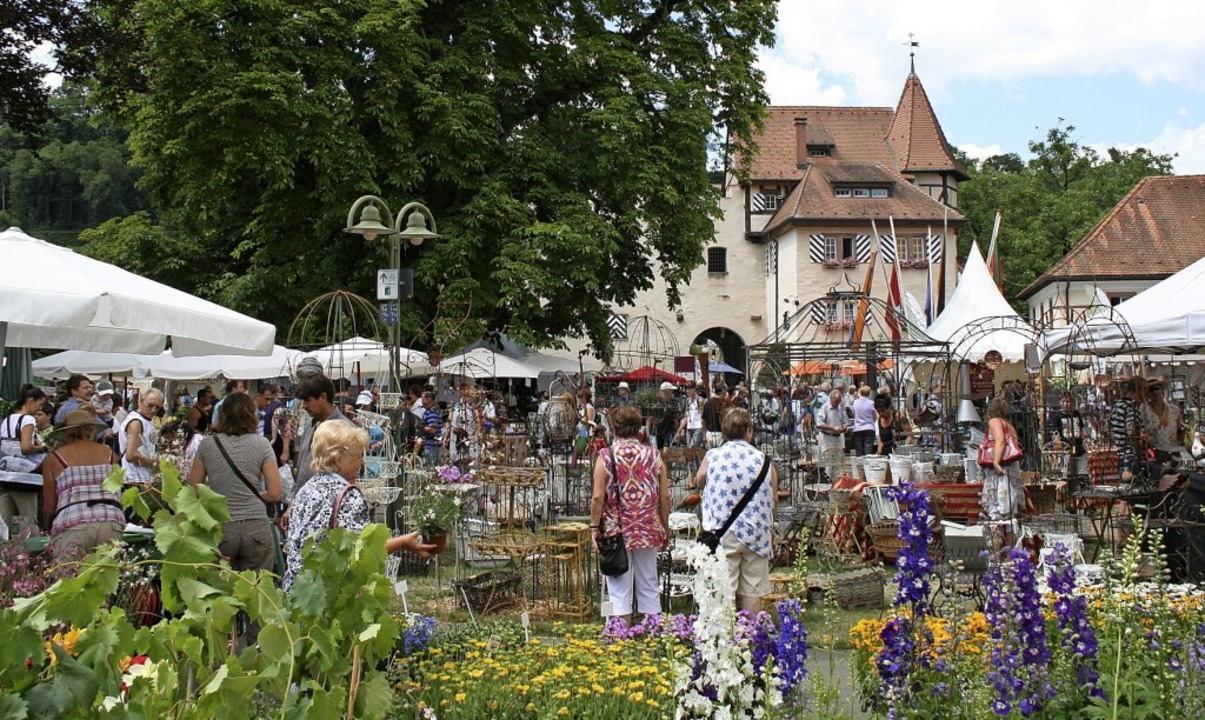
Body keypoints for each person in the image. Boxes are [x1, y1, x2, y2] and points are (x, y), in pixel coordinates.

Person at [282, 422, 434, 592]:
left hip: (298, 591)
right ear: (338, 459)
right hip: (330, 594)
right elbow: (362, 550)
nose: (362, 462)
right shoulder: (348, 495)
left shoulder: (306, 489)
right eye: (357, 456)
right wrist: (403, 542)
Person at [692, 408, 777, 613]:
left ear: (724, 432)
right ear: (749, 431)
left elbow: (699, 480)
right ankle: (751, 633)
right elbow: (773, 498)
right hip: (756, 531)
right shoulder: (764, 460)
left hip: (723, 532)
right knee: (753, 589)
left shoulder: (713, 456)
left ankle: (727, 637)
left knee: (724, 587)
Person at [590, 405, 670, 623]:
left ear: (614, 428)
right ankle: (653, 634)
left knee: (618, 588)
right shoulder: (654, 456)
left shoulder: (605, 456)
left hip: (616, 530)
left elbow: (598, 497)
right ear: (639, 429)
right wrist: (665, 525)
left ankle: (620, 637)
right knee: (649, 583)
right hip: (647, 527)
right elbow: (664, 497)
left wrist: (594, 528)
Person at [188, 393, 282, 576]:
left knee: (220, 591)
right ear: (251, 415)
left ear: (222, 414)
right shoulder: (262, 445)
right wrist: (254, 494)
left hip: (220, 527)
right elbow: (275, 493)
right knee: (256, 591)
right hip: (256, 526)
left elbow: (193, 489)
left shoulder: (208, 445)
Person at [42, 409, 124, 559]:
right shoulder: (109, 455)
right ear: (91, 430)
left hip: (73, 524)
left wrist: (49, 528)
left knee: (68, 580)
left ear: (66, 432)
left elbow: (49, 508)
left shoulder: (54, 459)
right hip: (111, 522)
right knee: (106, 579)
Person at [293, 373, 353, 490]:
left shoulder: (345, 429)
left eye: (308, 400)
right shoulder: (311, 426)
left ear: (323, 397)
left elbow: (351, 472)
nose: (304, 406)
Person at [982, 397, 1023, 549]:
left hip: (1000, 471)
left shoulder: (995, 422)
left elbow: (1000, 440)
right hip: (1012, 470)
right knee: (1010, 514)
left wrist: (996, 462)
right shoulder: (1009, 425)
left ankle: (996, 551)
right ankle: (1011, 551)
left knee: (996, 511)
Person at [119, 389, 164, 485]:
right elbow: (131, 455)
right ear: (141, 400)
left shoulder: (145, 419)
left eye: (157, 407)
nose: (153, 410)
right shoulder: (136, 422)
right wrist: (155, 462)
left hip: (143, 478)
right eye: (150, 405)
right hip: (134, 479)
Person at [1110, 379, 1143, 478]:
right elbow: (1130, 431)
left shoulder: (1117, 406)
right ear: (1139, 391)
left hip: (1119, 452)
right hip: (1129, 455)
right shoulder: (1130, 406)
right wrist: (1141, 436)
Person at [1050, 392, 1086, 474]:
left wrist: (1084, 441)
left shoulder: (1076, 413)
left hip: (1079, 449)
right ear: (1060, 402)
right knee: (1067, 475)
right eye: (1063, 401)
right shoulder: (1057, 417)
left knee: (1082, 474)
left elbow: (1081, 428)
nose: (1065, 404)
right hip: (1065, 451)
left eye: (1068, 401)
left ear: (1072, 402)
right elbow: (1055, 435)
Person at [815, 387, 847, 480]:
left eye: (839, 401)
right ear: (831, 398)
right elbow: (819, 424)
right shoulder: (824, 408)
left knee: (837, 462)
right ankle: (826, 483)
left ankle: (834, 483)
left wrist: (844, 428)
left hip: (837, 437)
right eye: (836, 401)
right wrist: (833, 428)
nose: (837, 403)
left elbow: (843, 421)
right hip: (826, 437)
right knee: (828, 462)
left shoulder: (840, 408)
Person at [649, 382, 680, 450]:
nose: (672, 391)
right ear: (665, 391)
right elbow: (651, 417)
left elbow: (676, 418)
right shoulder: (655, 401)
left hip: (669, 430)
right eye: (670, 390)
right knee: (659, 451)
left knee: (666, 451)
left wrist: (677, 432)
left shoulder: (674, 401)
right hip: (657, 431)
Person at [418, 391, 445, 463]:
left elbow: (432, 429)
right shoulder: (428, 411)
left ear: (429, 399)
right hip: (430, 445)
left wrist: (419, 428)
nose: (421, 401)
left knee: (430, 468)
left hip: (432, 446)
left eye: (422, 399)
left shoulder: (432, 412)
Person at [851, 386, 877, 456]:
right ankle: (867, 465)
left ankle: (860, 466)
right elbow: (875, 416)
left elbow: (854, 414)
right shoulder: (871, 403)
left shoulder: (855, 402)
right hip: (869, 427)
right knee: (868, 450)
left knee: (859, 451)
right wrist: (871, 421)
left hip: (858, 428)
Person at [702, 383, 728, 449]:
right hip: (720, 434)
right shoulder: (723, 404)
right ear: (723, 391)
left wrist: (704, 435)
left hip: (709, 434)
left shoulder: (707, 403)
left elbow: (703, 420)